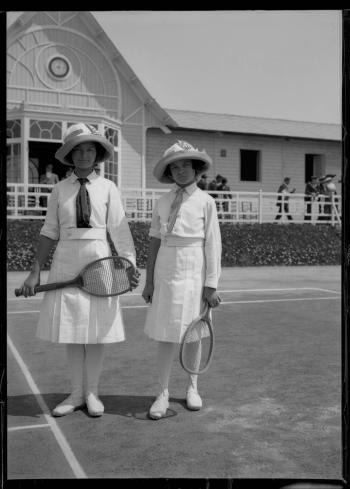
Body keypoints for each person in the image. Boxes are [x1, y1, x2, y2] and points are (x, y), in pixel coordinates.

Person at [18, 123, 139, 418]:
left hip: (100, 260)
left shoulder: (109, 188)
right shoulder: (59, 190)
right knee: (73, 332)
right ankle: (75, 392)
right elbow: (49, 232)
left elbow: (119, 231)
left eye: (90, 149)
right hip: (66, 261)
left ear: (97, 154)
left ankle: (92, 392)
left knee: (96, 332)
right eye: (78, 150)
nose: (84, 155)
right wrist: (35, 272)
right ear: (70, 155)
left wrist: (129, 264)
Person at [142, 140, 222, 420]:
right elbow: (154, 241)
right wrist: (149, 281)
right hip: (166, 268)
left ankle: (192, 387)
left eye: (186, 165)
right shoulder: (162, 201)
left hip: (194, 270)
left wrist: (211, 284)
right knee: (166, 334)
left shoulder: (206, 201)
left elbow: (212, 244)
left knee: (193, 333)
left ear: (197, 168)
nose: (180, 171)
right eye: (174, 167)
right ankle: (162, 392)